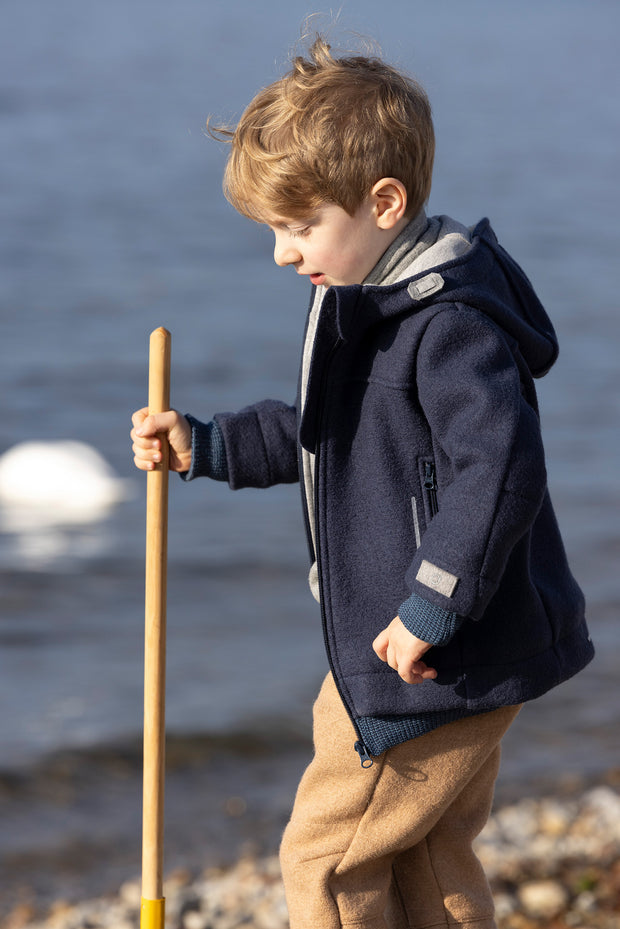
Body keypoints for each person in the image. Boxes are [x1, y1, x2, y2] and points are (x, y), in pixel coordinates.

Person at [131, 34, 594, 929]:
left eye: (300, 226)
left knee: (327, 855)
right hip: (418, 649)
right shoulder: (359, 299)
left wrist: (431, 607)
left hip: (427, 655)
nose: (281, 253)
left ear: (385, 203)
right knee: (425, 852)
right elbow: (324, 439)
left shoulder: (449, 328)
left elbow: (496, 474)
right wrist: (208, 442)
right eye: (275, 230)